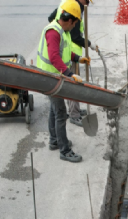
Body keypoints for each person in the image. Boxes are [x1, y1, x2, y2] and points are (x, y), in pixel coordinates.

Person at [37, 0, 91, 163]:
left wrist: (79, 59)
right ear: (68, 20)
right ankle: (64, 150)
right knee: (60, 112)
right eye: (74, 23)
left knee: (54, 110)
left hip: (55, 76)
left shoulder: (63, 30)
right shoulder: (54, 32)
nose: (74, 27)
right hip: (50, 77)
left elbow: (65, 53)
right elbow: (54, 57)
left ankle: (55, 141)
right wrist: (70, 74)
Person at [48, 0, 98, 126]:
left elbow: (50, 17)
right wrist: (89, 44)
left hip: (69, 53)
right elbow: (75, 37)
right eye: (87, 1)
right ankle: (74, 115)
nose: (87, 4)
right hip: (68, 55)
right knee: (74, 84)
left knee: (68, 89)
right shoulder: (74, 9)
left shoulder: (67, 3)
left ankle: (74, 111)